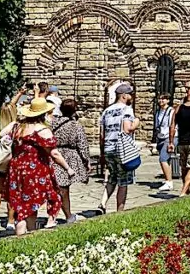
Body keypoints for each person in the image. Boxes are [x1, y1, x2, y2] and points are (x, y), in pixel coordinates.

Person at [6, 98, 73, 235]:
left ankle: (22, 234)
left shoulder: (19, 127)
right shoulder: (41, 129)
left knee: (22, 207)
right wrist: (68, 168)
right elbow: (54, 153)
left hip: (16, 169)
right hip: (34, 171)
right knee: (31, 206)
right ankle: (28, 235)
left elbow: (2, 134)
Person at [0, 89, 25, 229]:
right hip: (13, 160)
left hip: (1, 160)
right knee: (12, 190)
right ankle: (10, 221)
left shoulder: (3, 120)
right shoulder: (16, 125)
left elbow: (9, 106)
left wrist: (19, 94)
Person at [99, 84, 138, 213]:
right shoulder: (127, 109)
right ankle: (119, 211)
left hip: (108, 148)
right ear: (124, 96)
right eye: (130, 94)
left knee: (112, 177)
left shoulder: (106, 111)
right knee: (123, 181)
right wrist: (136, 122)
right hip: (122, 150)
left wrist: (102, 153)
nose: (131, 96)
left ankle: (102, 203)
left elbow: (102, 134)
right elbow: (128, 129)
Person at [51, 98, 90, 225]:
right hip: (68, 157)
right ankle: (66, 216)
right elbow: (82, 144)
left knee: (58, 187)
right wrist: (86, 161)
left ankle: (56, 216)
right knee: (63, 188)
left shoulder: (53, 123)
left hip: (54, 154)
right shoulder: (75, 125)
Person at [153, 93, 175, 192]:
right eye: (160, 99)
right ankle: (168, 179)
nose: (161, 101)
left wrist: (171, 141)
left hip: (169, 137)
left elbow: (172, 126)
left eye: (164, 99)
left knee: (163, 159)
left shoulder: (171, 111)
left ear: (168, 100)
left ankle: (169, 182)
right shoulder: (158, 112)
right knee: (167, 159)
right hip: (161, 136)